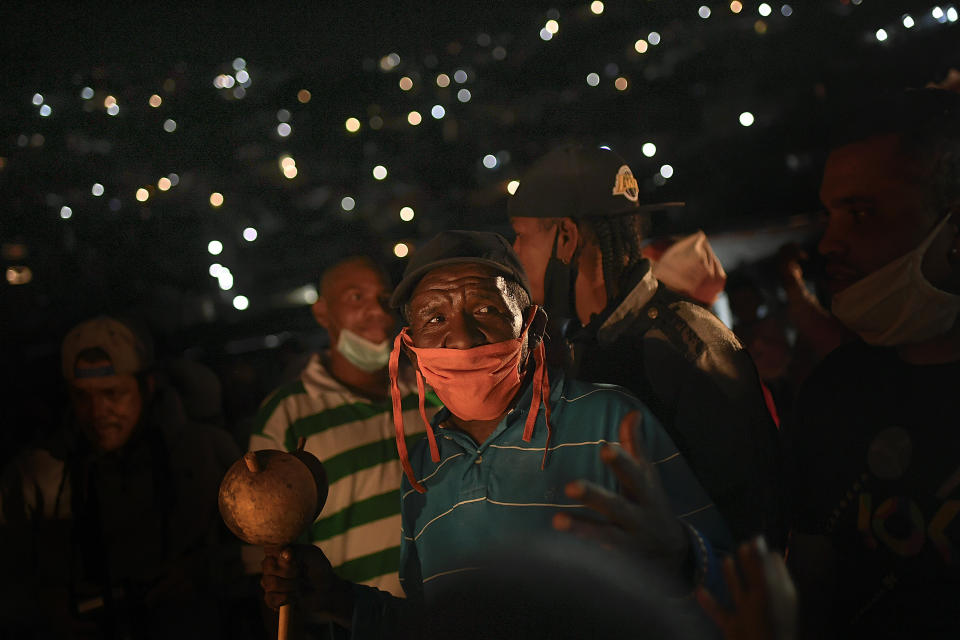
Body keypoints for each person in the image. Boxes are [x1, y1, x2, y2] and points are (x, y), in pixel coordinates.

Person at [260, 230, 732, 638]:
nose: (461, 339)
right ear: (410, 346)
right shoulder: (423, 467)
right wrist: (337, 601)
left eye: (486, 308)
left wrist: (682, 558)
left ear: (533, 326)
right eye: (434, 319)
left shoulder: (610, 421)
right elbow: (436, 627)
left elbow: (730, 582)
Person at [508, 144, 784, 546]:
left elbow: (754, 511)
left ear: (566, 236)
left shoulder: (685, 343)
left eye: (521, 236)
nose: (515, 253)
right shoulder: (587, 342)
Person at [785, 88, 960, 639]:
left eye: (862, 213)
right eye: (829, 216)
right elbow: (810, 587)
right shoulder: (831, 392)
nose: (830, 244)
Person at [0, 315, 240, 639]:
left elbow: (256, 558)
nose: (98, 411)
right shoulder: (37, 474)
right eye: (82, 396)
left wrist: (201, 573)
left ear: (148, 385)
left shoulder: (206, 453)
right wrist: (48, 608)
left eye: (113, 393)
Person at [249, 256, 441, 596]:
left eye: (385, 299)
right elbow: (269, 554)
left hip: (449, 611)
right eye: (356, 298)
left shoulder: (435, 391)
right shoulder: (288, 414)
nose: (379, 313)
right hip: (351, 624)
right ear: (322, 313)